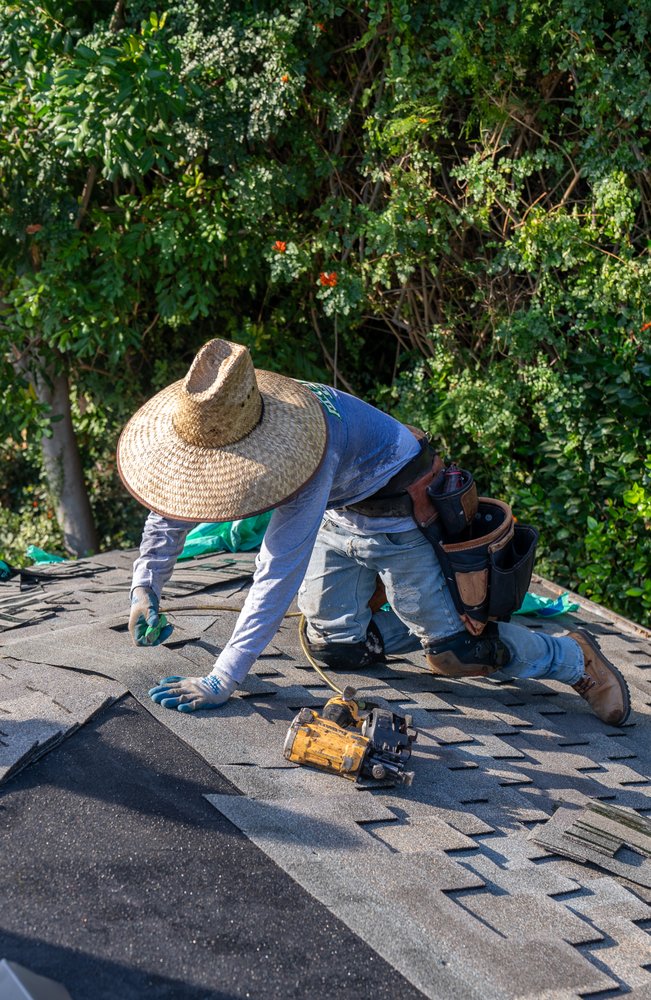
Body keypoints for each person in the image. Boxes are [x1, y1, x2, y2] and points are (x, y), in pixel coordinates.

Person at [118, 338, 630, 726]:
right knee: (337, 648)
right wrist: (145, 587)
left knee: (457, 654)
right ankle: (429, 620)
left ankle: (571, 658)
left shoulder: (301, 447)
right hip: (340, 515)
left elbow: (276, 571)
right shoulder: (228, 417)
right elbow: (177, 499)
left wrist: (223, 677)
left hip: (402, 520)